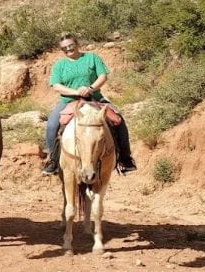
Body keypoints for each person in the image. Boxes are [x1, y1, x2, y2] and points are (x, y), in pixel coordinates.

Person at [41, 34, 137, 175]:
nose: (68, 49)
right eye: (64, 48)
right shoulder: (59, 65)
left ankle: (125, 158)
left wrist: (90, 88)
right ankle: (53, 161)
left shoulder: (92, 58)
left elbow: (103, 76)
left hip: (95, 98)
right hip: (69, 100)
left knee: (118, 120)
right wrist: (75, 92)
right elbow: (56, 85)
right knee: (52, 125)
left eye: (71, 45)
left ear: (77, 44)